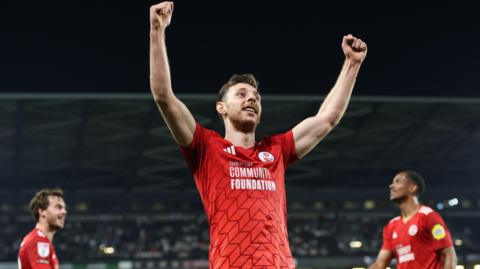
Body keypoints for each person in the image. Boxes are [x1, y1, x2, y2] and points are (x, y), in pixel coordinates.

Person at [149, 2, 367, 268]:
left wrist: (352, 65)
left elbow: (327, 119)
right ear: (222, 108)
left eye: (256, 97)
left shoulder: (277, 149)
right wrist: (157, 31)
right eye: (241, 95)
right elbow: (163, 96)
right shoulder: (205, 147)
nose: (251, 99)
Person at [368, 171, 457, 269]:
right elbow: (380, 264)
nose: (391, 186)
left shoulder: (428, 216)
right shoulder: (391, 226)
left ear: (412, 188)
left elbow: (449, 254)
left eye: (397, 182)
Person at [18, 188, 67, 269]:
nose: (64, 212)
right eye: (58, 207)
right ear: (42, 212)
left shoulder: (41, 241)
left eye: (64, 208)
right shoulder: (38, 241)